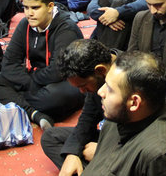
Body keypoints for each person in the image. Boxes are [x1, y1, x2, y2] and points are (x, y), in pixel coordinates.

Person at [0, 0, 84, 130]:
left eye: (35, 8)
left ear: (50, 6)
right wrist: (29, 82)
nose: (29, 13)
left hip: (65, 81)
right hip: (35, 80)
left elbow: (57, 71)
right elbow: (8, 64)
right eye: (26, 8)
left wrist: (25, 84)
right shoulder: (25, 24)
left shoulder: (66, 28)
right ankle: (35, 114)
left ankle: (11, 101)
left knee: (53, 98)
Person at [81, 51, 166, 176]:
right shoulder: (117, 117)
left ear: (134, 102)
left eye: (109, 89)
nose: (100, 92)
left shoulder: (161, 157)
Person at [41, 39, 116, 173]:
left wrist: (104, 151)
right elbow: (87, 118)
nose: (82, 91)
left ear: (100, 70)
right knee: (50, 137)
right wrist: (72, 153)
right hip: (109, 135)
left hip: (131, 146)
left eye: (83, 86)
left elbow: (147, 141)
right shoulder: (98, 79)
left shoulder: (132, 79)